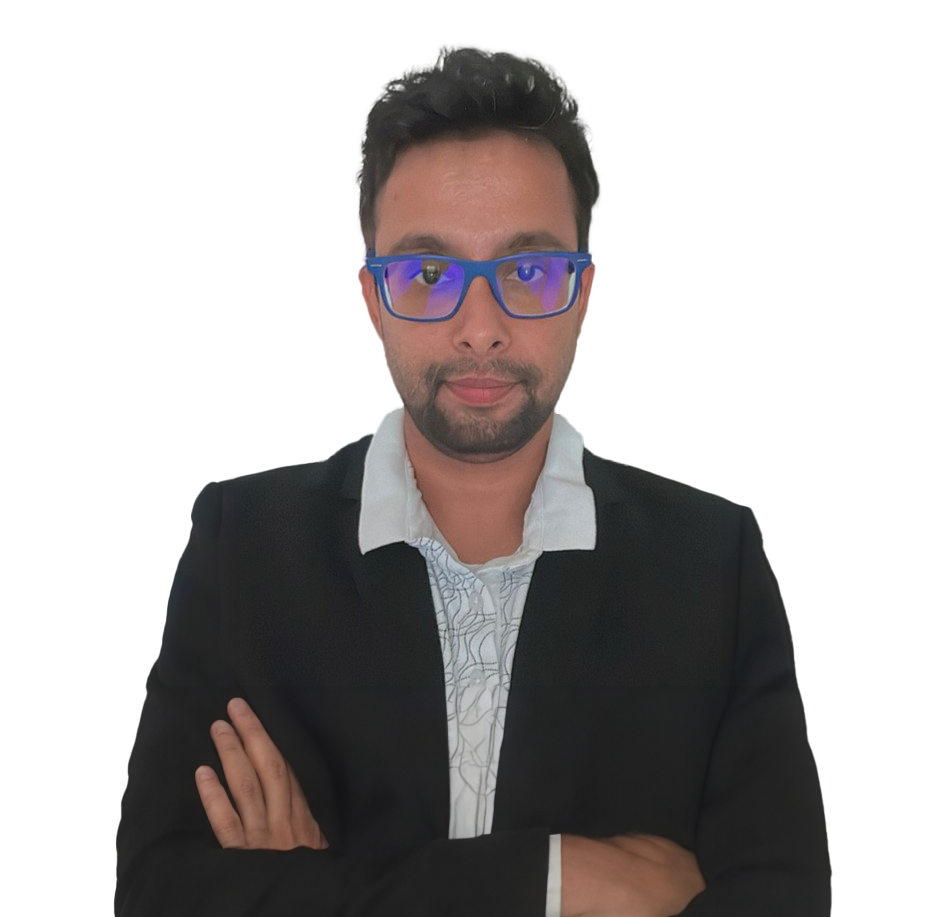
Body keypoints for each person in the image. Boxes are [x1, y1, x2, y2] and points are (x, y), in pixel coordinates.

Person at [115, 42, 831, 916]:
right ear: (372, 297)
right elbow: (157, 893)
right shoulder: (243, 546)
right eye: (428, 273)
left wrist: (313, 891)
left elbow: (785, 898)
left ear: (584, 291)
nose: (480, 328)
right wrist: (562, 877)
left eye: (529, 270)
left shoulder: (713, 564)